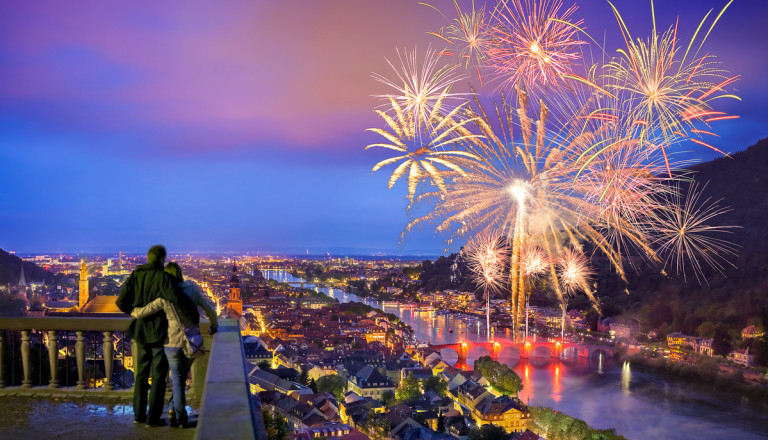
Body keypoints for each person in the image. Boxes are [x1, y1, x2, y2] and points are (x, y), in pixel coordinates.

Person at [130, 262, 218, 428]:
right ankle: (179, 417)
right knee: (181, 378)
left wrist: (132, 311)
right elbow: (211, 312)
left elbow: (144, 311)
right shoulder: (192, 290)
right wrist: (214, 327)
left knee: (178, 380)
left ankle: (176, 413)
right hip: (192, 342)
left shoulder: (165, 294)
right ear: (180, 273)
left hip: (171, 343)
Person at [116, 245, 185, 427]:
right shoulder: (163, 277)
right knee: (158, 376)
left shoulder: (135, 275)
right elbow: (176, 301)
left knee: (140, 374)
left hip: (140, 331)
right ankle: (153, 418)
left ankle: (138, 415)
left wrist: (134, 312)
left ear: (148, 258)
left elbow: (120, 301)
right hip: (159, 331)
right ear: (162, 259)